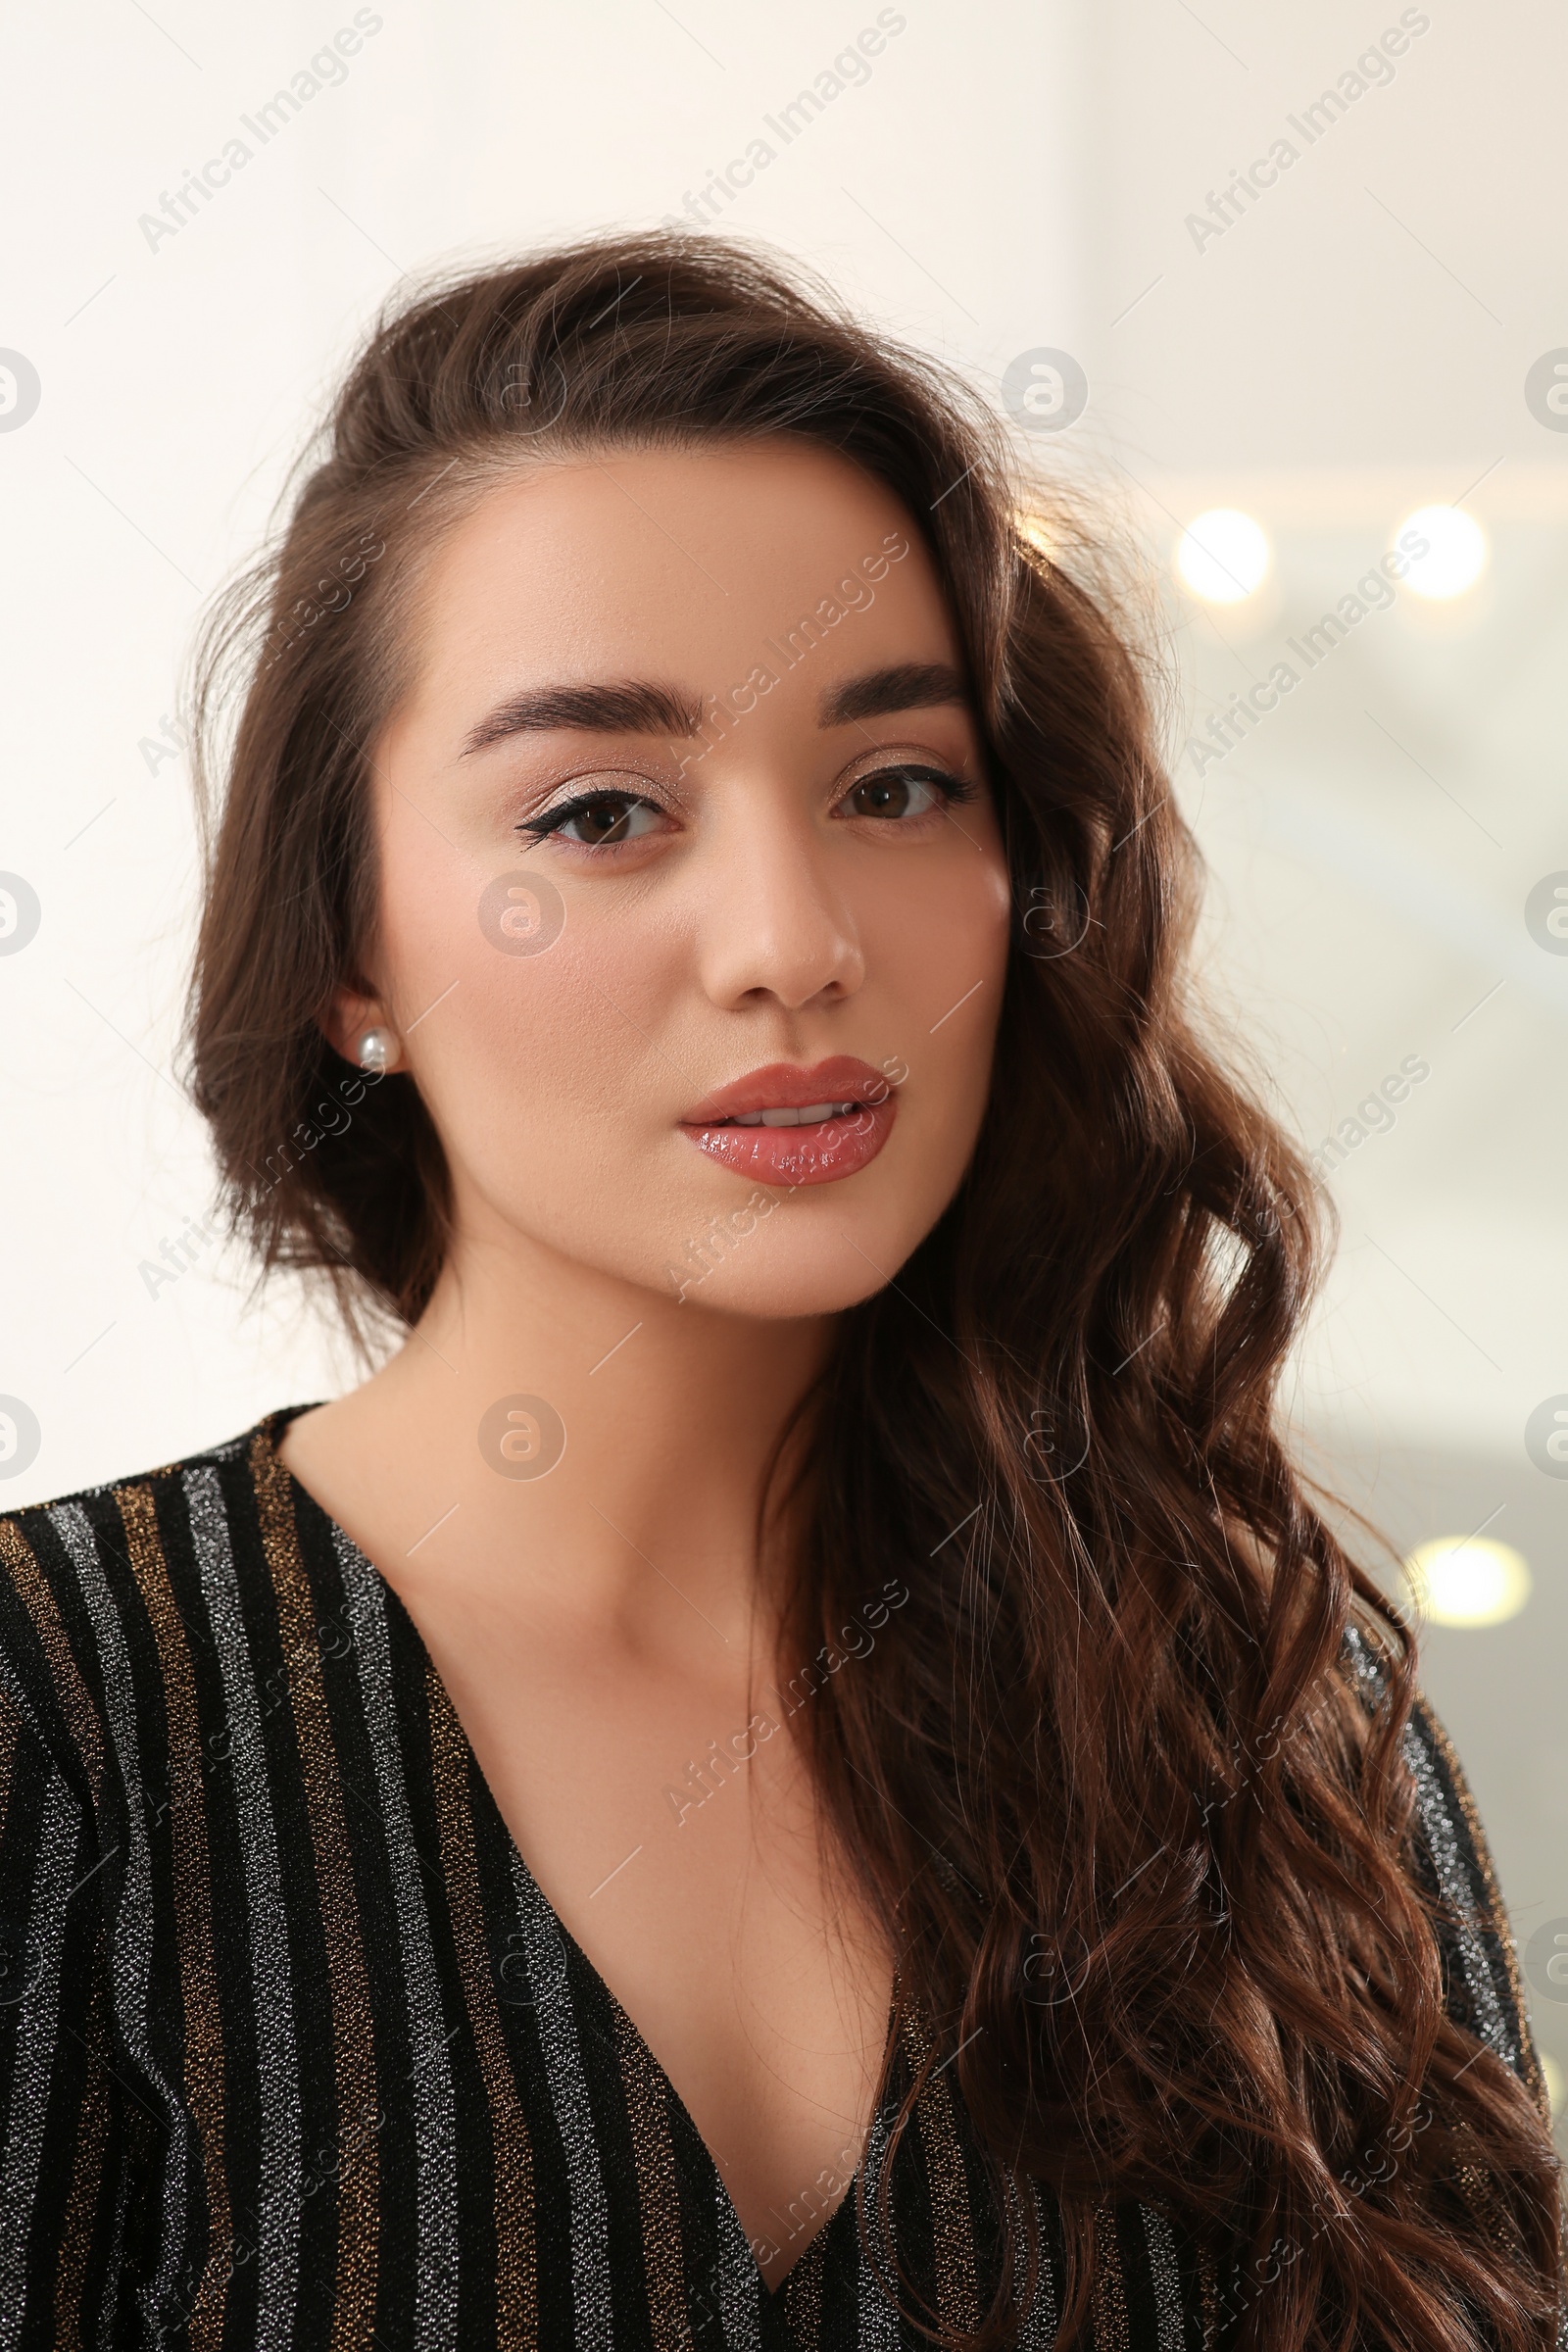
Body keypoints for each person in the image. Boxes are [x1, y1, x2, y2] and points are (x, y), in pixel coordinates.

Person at [0, 232, 1560, 2352]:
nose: (790, 936)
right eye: (603, 810)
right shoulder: (68, 1726)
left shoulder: (1268, 1742)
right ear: (352, 952)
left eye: (892, 785)